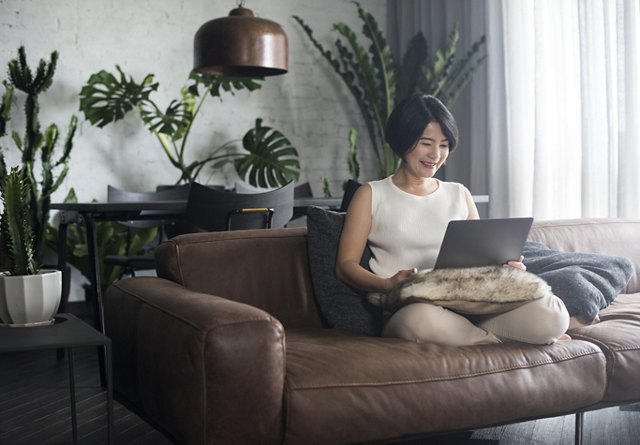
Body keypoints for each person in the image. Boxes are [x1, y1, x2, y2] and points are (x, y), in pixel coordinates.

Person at [336, 94, 570, 346]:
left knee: (552, 314)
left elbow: (480, 259)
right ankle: (504, 341)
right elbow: (346, 265)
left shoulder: (459, 193)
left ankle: (476, 340)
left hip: (469, 305)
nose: (435, 154)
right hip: (412, 308)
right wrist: (387, 284)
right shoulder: (372, 194)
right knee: (419, 322)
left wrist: (503, 267)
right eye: (426, 143)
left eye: (444, 145)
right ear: (403, 141)